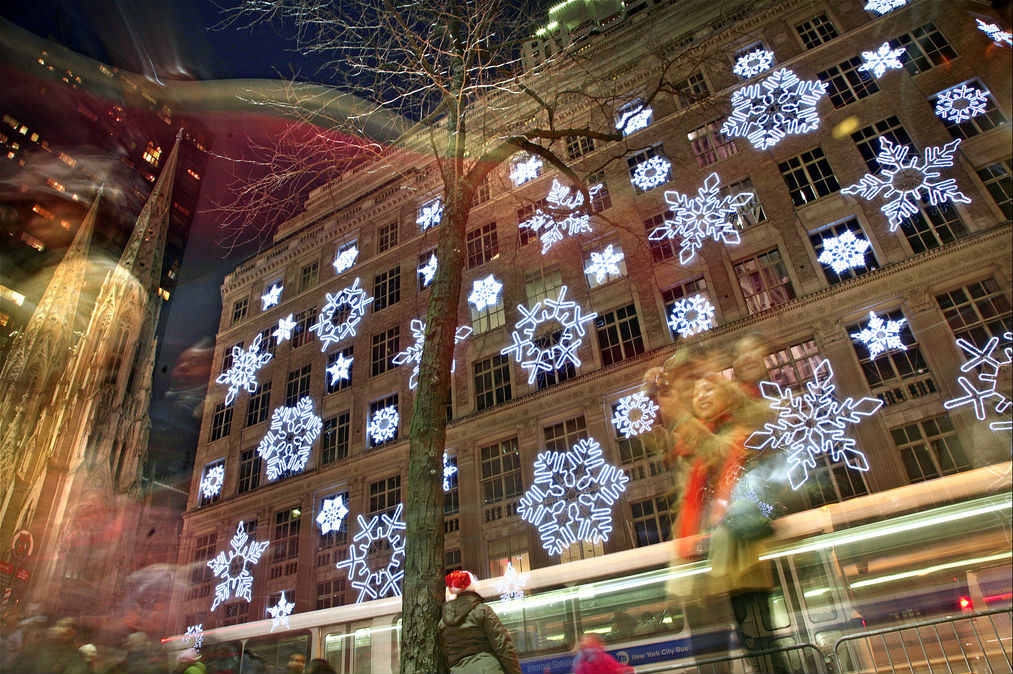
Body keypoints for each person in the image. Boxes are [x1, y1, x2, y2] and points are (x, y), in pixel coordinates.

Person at [439, 570, 521, 674]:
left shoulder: (443, 623)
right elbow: (503, 646)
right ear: (472, 587)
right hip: (488, 669)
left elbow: (445, 657)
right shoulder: (482, 611)